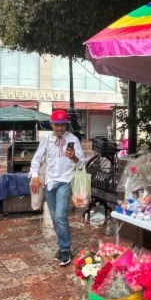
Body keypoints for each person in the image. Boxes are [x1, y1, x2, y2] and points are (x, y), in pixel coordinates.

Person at [29, 109, 86, 267]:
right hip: (49, 183)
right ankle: (62, 246)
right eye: (57, 125)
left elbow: (82, 163)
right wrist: (34, 176)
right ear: (52, 125)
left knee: (60, 216)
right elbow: (36, 160)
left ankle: (65, 249)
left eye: (63, 125)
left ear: (66, 125)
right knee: (55, 218)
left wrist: (74, 157)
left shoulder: (73, 139)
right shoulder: (46, 140)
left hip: (65, 181)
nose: (60, 128)